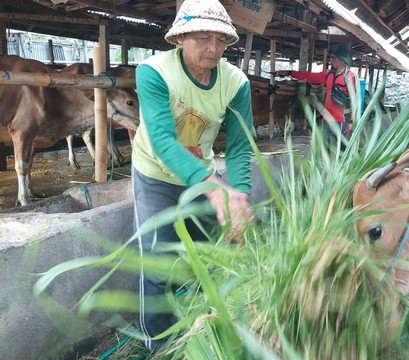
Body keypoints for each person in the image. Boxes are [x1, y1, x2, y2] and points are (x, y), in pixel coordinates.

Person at [131, 0, 254, 351]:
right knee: (156, 266)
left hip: (203, 175)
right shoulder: (153, 72)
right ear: (180, 37)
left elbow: (242, 147)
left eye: (220, 39)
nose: (213, 48)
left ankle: (200, 335)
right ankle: (160, 346)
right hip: (156, 176)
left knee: (207, 258)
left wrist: (240, 196)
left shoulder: (236, 83)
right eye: (202, 37)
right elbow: (163, 142)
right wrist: (216, 191)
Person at [276, 45, 357, 147]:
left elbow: (355, 102)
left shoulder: (351, 78)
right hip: (327, 120)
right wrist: (290, 73)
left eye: (333, 58)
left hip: (342, 122)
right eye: (331, 57)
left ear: (342, 60)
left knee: (340, 151)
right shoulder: (328, 74)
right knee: (325, 148)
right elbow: (310, 76)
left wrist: (352, 122)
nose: (330, 60)